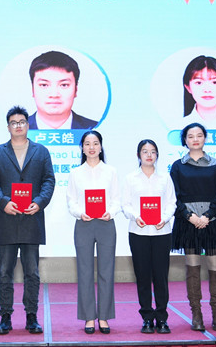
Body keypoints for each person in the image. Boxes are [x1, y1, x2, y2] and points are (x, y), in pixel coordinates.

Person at [0, 106, 56, 335]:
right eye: (14, 122)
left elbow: (49, 181)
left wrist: (40, 202)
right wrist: (3, 201)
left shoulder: (41, 151)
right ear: (8, 127)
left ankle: (31, 316)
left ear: (28, 124)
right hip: (7, 219)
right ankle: (5, 317)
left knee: (32, 273)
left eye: (22, 122)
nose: (18, 126)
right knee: (4, 272)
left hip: (31, 220)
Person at [170, 122, 216, 332]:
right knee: (193, 267)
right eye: (190, 136)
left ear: (205, 138)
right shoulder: (178, 166)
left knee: (215, 266)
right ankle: (196, 313)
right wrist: (190, 216)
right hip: (188, 223)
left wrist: (207, 216)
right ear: (184, 140)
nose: (195, 139)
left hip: (213, 222)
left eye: (199, 135)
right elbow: (174, 197)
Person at [66, 130, 120, 334]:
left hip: (106, 224)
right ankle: (89, 316)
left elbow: (116, 199)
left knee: (107, 271)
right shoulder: (75, 173)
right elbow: (71, 201)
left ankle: (104, 316)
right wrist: (80, 213)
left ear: (101, 146)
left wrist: (110, 212)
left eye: (95, 143)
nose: (91, 147)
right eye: (87, 143)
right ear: (82, 147)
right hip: (84, 224)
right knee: (85, 271)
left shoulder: (111, 171)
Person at [123, 139, 177, 334]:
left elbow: (171, 202)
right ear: (139, 155)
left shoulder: (165, 177)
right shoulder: (131, 178)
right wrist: (135, 217)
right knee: (143, 276)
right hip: (138, 233)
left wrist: (164, 218)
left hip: (162, 232)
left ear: (157, 155)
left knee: (161, 276)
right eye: (145, 151)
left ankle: (162, 318)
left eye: (153, 151)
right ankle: (147, 317)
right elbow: (126, 204)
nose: (149, 155)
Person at [27, 50, 98, 130]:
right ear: (33, 90)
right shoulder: (16, 131)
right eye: (44, 85)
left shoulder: (96, 129)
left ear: (76, 89)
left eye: (64, 85)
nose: (54, 95)